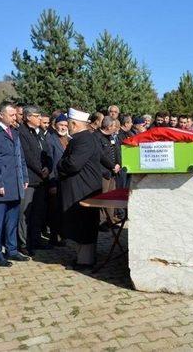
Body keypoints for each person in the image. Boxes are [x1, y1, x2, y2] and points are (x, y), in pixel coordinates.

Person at [0, 102, 30, 266]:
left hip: (16, 183)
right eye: (11, 114)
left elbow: (20, 157)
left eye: (15, 114)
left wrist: (24, 177)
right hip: (2, 184)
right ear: (1, 115)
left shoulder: (15, 132)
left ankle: (12, 249)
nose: (15, 117)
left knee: (12, 220)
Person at [58, 108, 103, 269]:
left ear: (75, 124)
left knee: (83, 224)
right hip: (84, 188)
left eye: (69, 124)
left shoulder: (82, 140)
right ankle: (85, 258)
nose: (67, 127)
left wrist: (59, 164)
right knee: (84, 223)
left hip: (81, 190)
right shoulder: (88, 138)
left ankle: (85, 260)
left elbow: (73, 164)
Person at [17, 105, 51, 254]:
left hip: (42, 178)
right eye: (37, 116)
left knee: (38, 211)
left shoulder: (40, 133)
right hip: (30, 178)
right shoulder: (21, 132)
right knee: (26, 212)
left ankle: (36, 239)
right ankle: (24, 243)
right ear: (28, 117)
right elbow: (27, 155)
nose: (40, 118)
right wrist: (40, 170)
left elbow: (47, 152)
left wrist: (48, 168)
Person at [44, 113, 70, 246]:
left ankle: (63, 234)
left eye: (66, 125)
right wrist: (51, 182)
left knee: (63, 210)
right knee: (54, 211)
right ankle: (54, 237)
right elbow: (50, 163)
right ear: (55, 126)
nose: (63, 127)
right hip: (55, 180)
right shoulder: (50, 139)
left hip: (66, 181)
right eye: (61, 125)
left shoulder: (69, 140)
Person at [95, 117, 122, 230]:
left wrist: (118, 165)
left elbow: (116, 151)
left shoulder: (111, 137)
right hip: (103, 172)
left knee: (111, 197)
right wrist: (112, 166)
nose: (116, 128)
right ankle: (101, 222)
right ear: (109, 126)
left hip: (113, 172)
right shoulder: (97, 137)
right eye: (114, 126)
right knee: (103, 197)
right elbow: (101, 155)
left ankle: (110, 220)